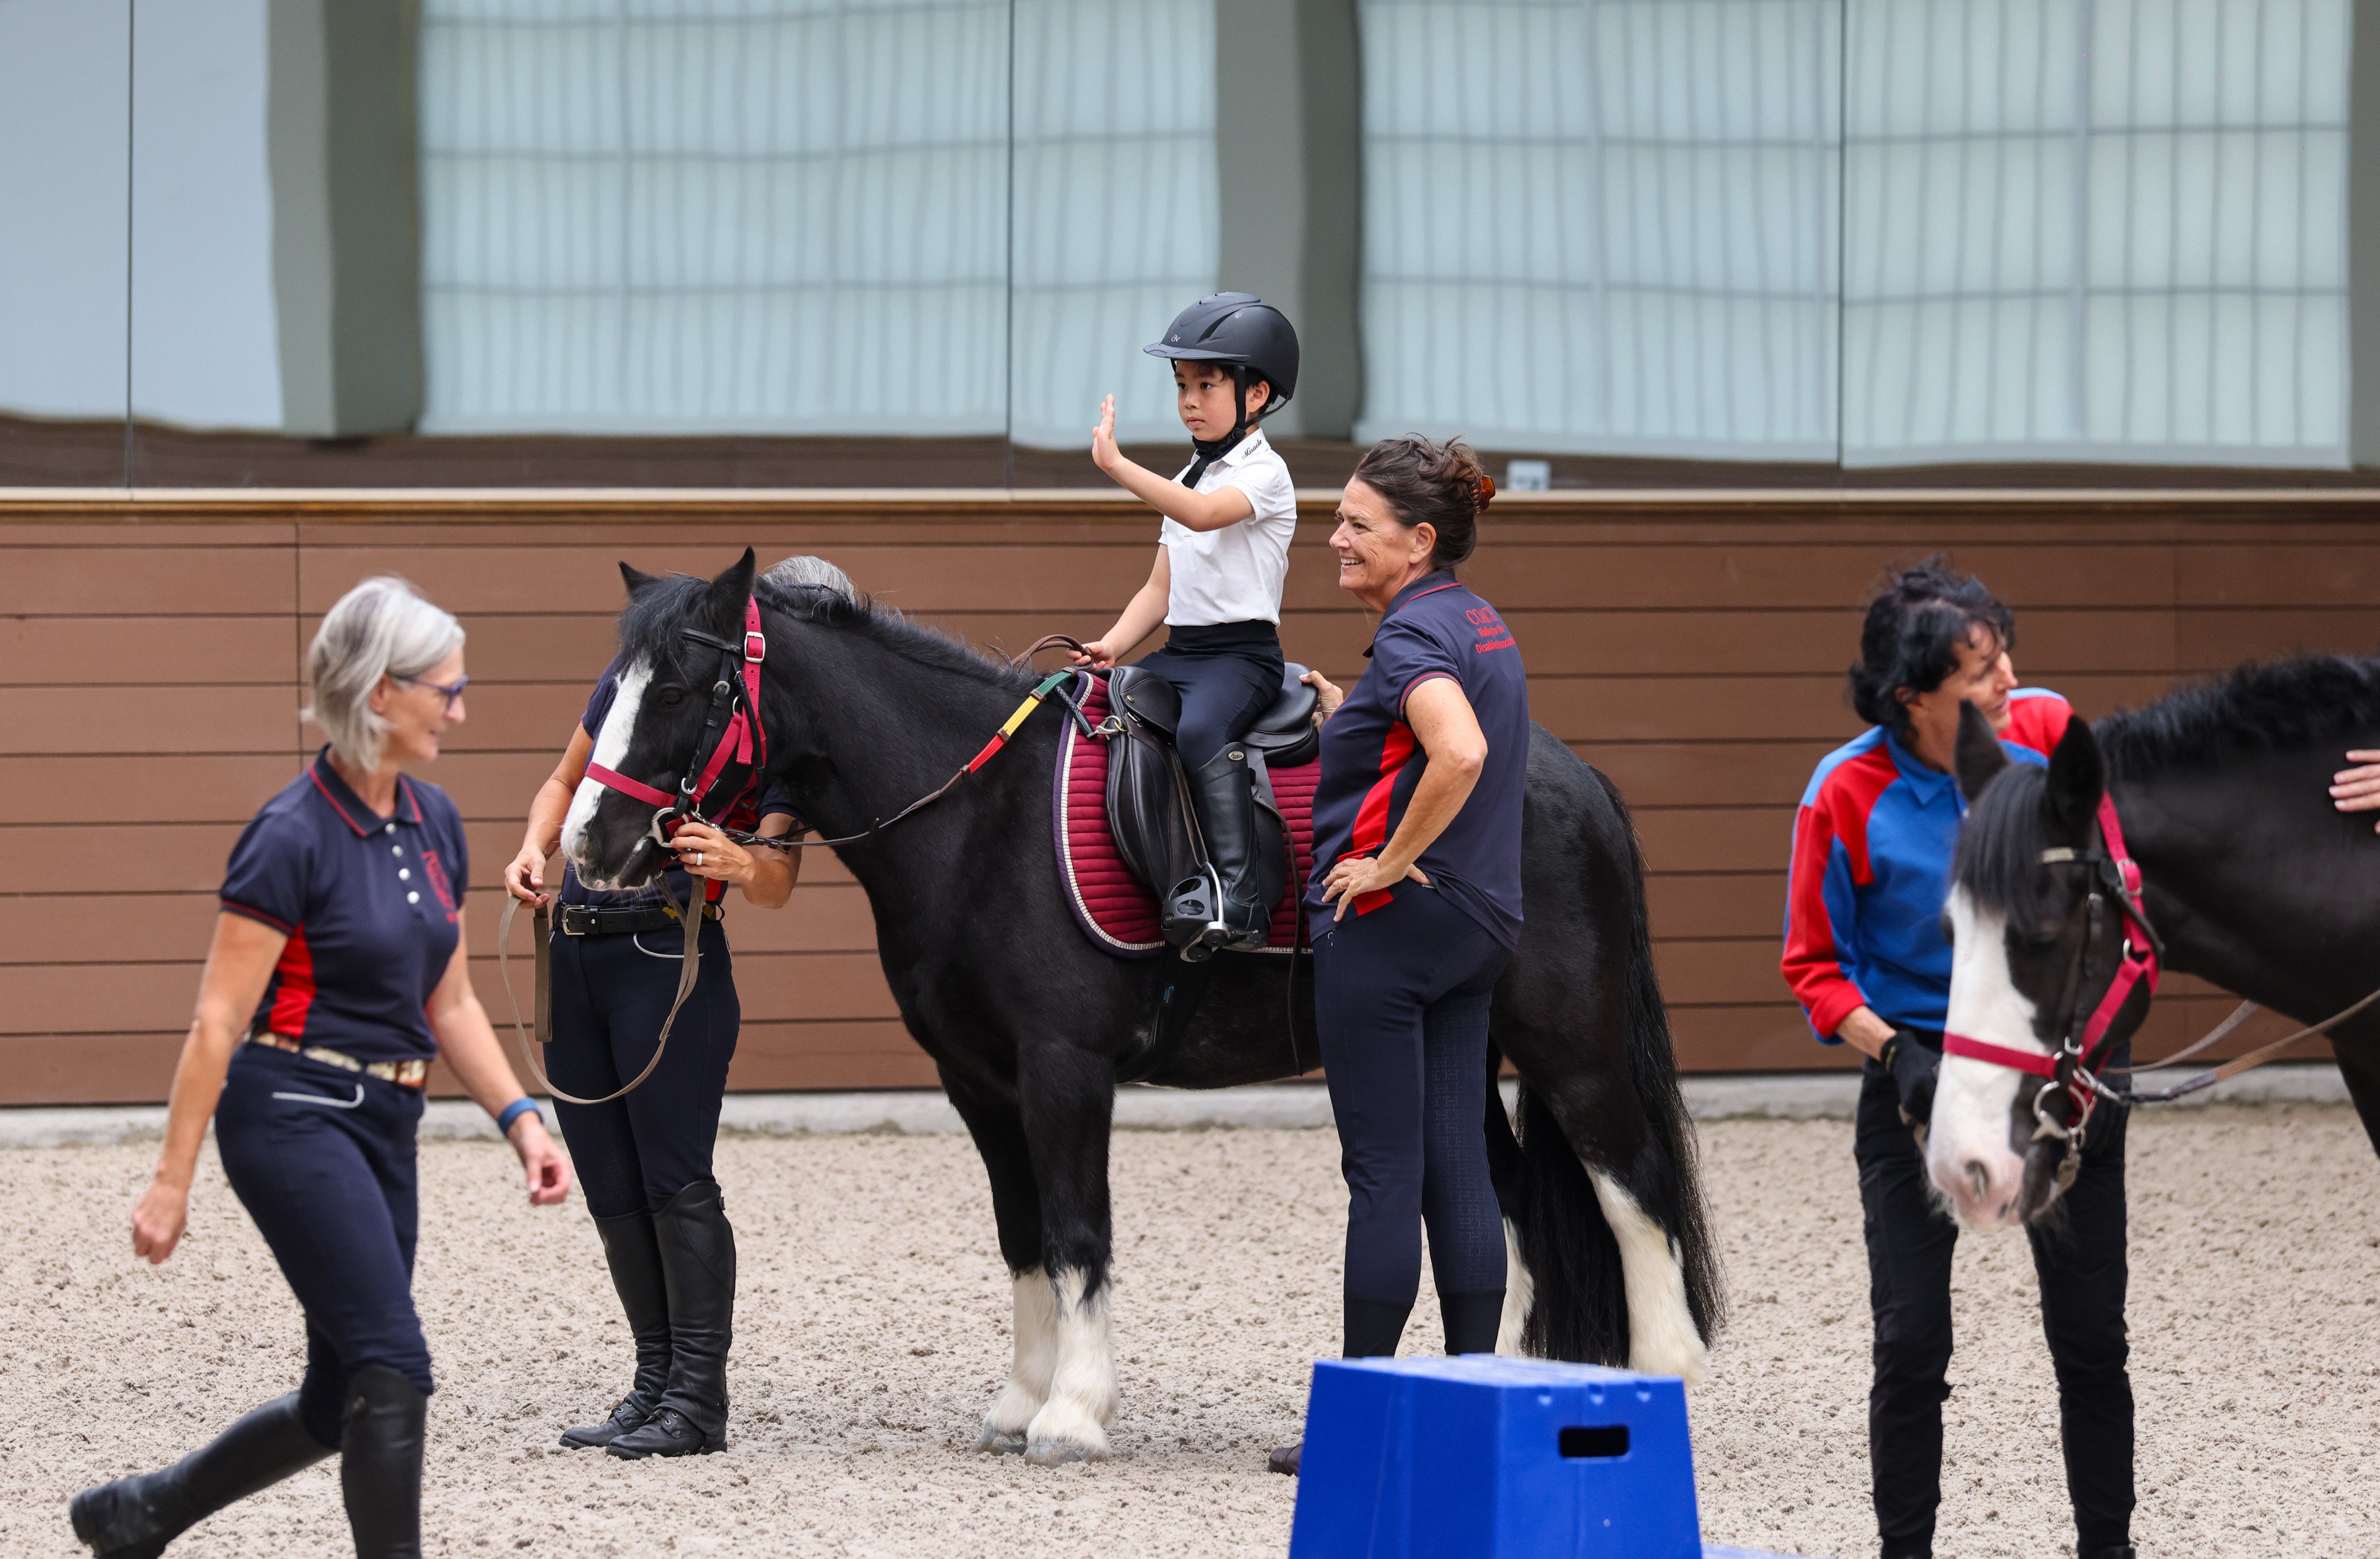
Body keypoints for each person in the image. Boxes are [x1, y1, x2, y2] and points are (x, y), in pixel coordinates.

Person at [71, 577, 571, 1559]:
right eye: (446, 689)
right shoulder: (289, 835)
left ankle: (145, 1513)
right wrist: (171, 1181)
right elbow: (218, 1020)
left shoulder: (434, 819)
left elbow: (450, 1002)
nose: (460, 710)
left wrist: (522, 1118)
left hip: (387, 1120)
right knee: (392, 1366)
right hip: (292, 1112)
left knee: (338, 1389)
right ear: (382, 692)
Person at [1780, 560, 2132, 1559]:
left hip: (2056, 1069)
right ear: (1912, 695)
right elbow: (1814, 966)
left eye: (2004, 654)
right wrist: (1896, 1054)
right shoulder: (1842, 792)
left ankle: (2109, 1548)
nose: (2009, 678)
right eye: (1981, 669)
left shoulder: (2046, 740)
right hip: (1919, 1076)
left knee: (2091, 1342)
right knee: (1909, 1343)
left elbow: (2114, 897)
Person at [501, 554, 843, 1458]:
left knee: (676, 1181)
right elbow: (562, 781)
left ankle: (696, 1400)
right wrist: (535, 847)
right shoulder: (635, 682)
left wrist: (739, 862)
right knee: (612, 1186)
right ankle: (652, 1382)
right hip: (574, 947)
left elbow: (777, 879)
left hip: (667, 957)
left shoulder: (778, 742)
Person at [1270, 436, 1526, 1476]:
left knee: (1383, 1173)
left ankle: (1363, 1427)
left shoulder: (1413, 633)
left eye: (1354, 522)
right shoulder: (1474, 618)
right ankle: (1471, 1403)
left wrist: (1384, 862)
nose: (1334, 536)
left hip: (1396, 930)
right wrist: (1359, 713)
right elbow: (1431, 738)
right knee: (1456, 1160)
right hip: (1477, 927)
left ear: (1418, 540)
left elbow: (1457, 748)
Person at [1078, 291, 1302, 956]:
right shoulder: (1188, 476)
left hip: (1241, 657)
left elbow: (1203, 518)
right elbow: (1159, 588)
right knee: (1106, 704)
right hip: (1181, 650)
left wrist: (1117, 466)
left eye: (1207, 385)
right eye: (1182, 386)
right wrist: (1113, 645)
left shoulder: (1266, 473)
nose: (1190, 401)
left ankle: (1239, 897)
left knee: (1203, 729)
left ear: (1256, 394)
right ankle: (1162, 875)